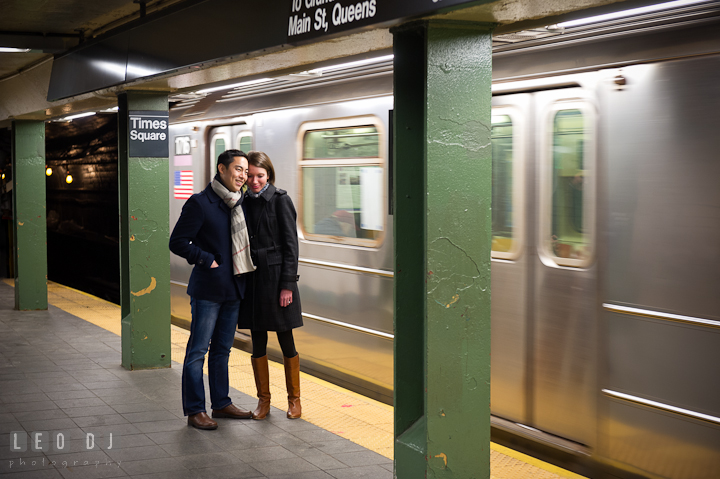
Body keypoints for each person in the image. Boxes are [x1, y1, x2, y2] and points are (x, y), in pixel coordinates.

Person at [169, 149, 256, 430]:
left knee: (222, 350)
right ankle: (195, 410)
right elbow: (178, 242)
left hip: (233, 290)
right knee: (198, 351)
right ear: (222, 169)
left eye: (245, 171)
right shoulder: (200, 203)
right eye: (238, 170)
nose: (242, 176)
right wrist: (207, 259)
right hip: (208, 289)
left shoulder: (241, 204)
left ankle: (221, 403)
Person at [239, 151, 303, 420]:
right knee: (258, 341)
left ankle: (294, 400)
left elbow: (291, 245)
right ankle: (263, 401)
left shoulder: (280, 200)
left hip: (277, 280)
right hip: (253, 279)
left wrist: (287, 284)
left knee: (286, 338)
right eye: (249, 176)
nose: (254, 181)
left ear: (269, 175)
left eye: (260, 176)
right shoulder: (241, 201)